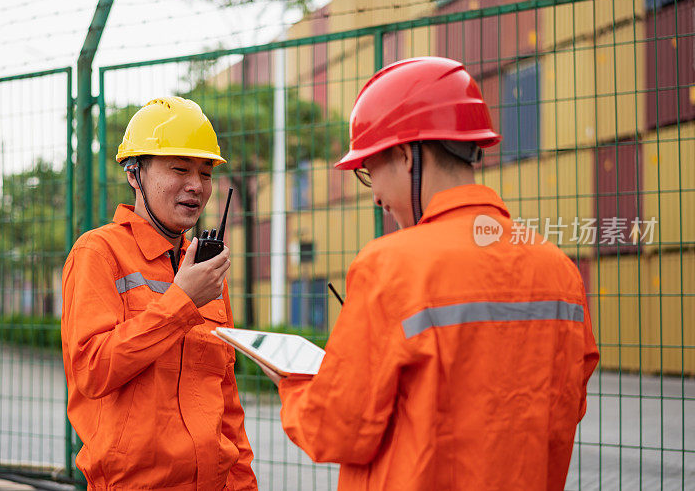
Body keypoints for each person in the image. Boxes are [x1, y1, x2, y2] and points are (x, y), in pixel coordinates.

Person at [268, 57, 599, 490]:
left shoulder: (390, 267)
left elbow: (336, 429)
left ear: (405, 156)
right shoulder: (559, 270)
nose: (376, 198)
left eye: (370, 172)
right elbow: (564, 407)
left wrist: (293, 385)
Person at [61, 97, 257, 490]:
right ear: (135, 174)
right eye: (180, 169)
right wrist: (182, 302)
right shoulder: (98, 253)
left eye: (205, 173)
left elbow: (227, 402)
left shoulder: (204, 269)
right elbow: (92, 371)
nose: (196, 186)